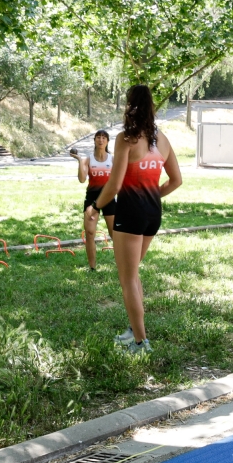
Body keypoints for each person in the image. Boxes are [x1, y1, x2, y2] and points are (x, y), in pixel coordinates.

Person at [85, 85, 182, 355]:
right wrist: (153, 196)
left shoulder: (126, 139)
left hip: (130, 214)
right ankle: (134, 329)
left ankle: (141, 344)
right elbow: (176, 181)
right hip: (153, 215)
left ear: (130, 106)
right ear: (152, 107)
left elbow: (114, 185)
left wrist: (94, 206)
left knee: (127, 278)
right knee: (134, 273)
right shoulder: (161, 139)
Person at [71, 130, 116, 271]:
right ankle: (92, 267)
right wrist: (79, 160)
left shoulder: (113, 159)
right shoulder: (88, 160)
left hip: (108, 197)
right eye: (98, 137)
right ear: (95, 140)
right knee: (90, 233)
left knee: (114, 233)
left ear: (107, 141)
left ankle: (122, 265)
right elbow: (82, 179)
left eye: (104, 138)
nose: (101, 140)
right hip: (92, 198)